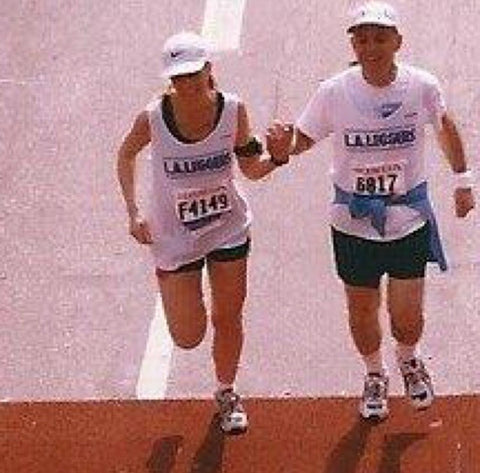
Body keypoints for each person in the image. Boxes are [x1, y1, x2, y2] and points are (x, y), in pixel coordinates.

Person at [266, 1, 475, 420]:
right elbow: (303, 138)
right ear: (354, 45)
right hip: (352, 223)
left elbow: (445, 126)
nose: (371, 46)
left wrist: (464, 180)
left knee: (407, 314)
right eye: (362, 39)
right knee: (361, 310)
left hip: (407, 218)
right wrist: (281, 149)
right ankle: (374, 373)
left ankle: (409, 360)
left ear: (397, 42)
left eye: (380, 38)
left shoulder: (421, 86)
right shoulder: (334, 92)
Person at [117, 31, 288, 433]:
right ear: (169, 81)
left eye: (194, 75)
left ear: (209, 70)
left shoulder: (233, 111)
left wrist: (278, 157)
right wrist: (133, 212)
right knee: (188, 336)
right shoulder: (154, 118)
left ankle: (227, 392)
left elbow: (251, 168)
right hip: (176, 237)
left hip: (227, 227)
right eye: (178, 78)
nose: (187, 85)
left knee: (228, 316)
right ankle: (176, 289)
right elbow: (125, 154)